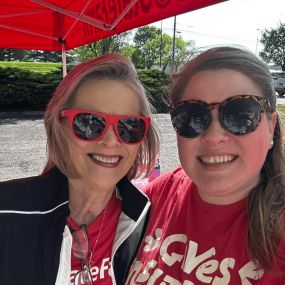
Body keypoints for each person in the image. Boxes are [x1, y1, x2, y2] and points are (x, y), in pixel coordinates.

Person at [126, 46, 285, 284]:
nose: (213, 136)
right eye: (192, 116)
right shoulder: (160, 194)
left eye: (241, 114)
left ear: (271, 126)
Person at [0, 53, 159, 284]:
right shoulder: (6, 213)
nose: (111, 141)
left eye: (129, 126)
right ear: (58, 126)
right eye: (89, 123)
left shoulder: (144, 222)